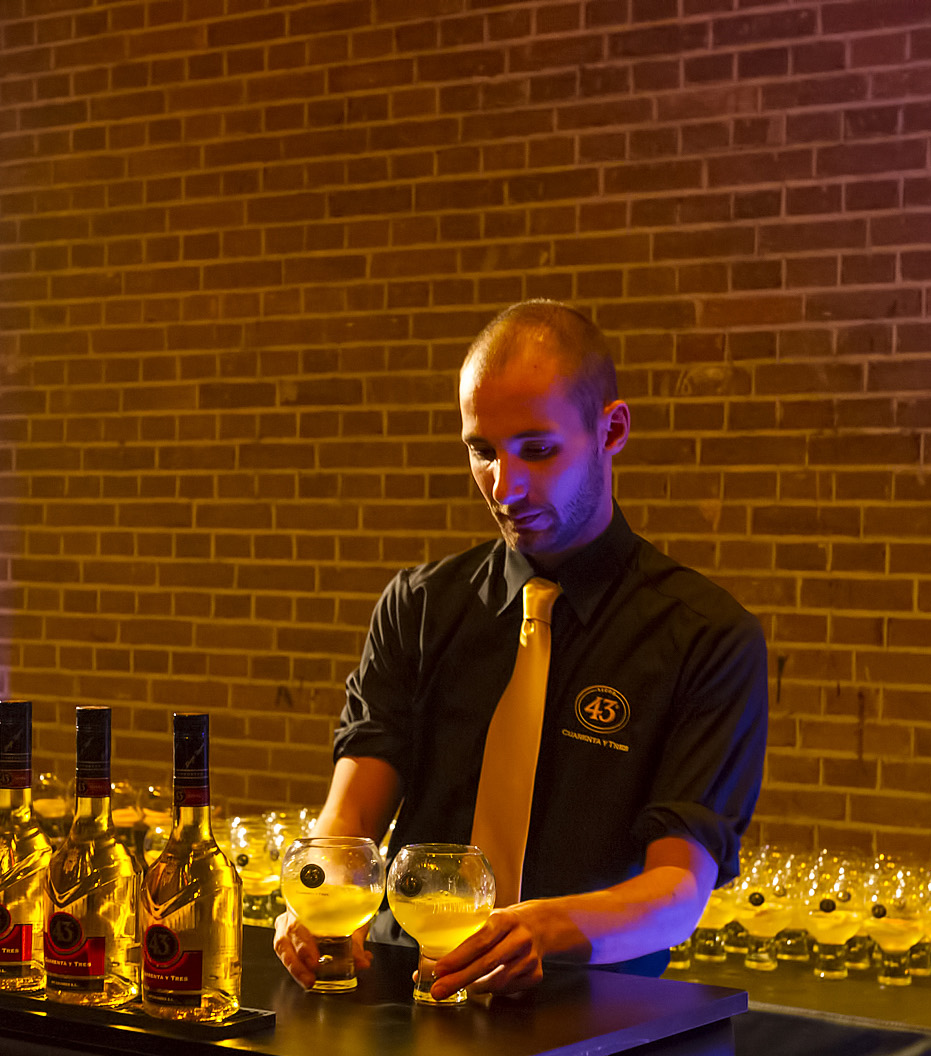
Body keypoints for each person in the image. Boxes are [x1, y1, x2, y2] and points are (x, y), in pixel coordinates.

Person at [274, 300, 767, 1000]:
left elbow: (677, 891)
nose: (505, 486)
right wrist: (314, 897)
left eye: (537, 450)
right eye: (483, 450)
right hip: (395, 992)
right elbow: (349, 820)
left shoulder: (705, 637)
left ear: (612, 431)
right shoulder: (419, 606)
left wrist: (544, 927)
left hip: (585, 1014)